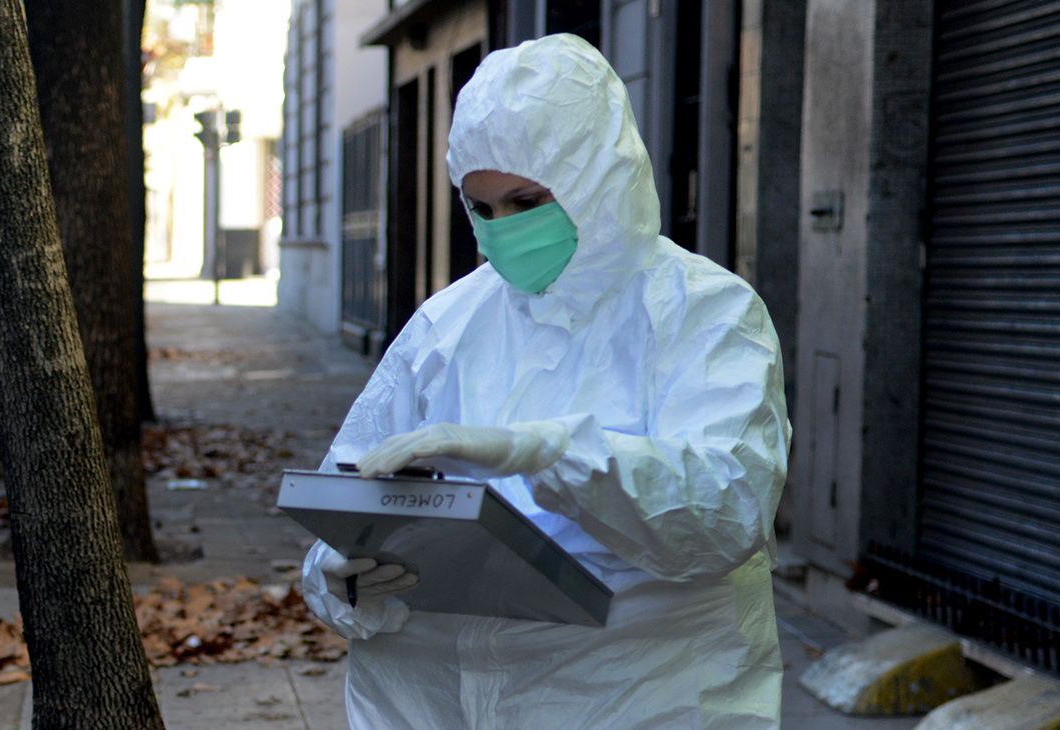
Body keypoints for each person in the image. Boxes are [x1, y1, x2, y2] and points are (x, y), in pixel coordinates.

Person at [301, 33, 791, 728]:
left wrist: (545, 453)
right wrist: (339, 579)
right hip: (433, 699)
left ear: (595, 176)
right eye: (482, 207)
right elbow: (349, 493)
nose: (503, 229)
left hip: (636, 695)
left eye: (526, 199)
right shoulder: (448, 325)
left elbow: (725, 510)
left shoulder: (704, 312)